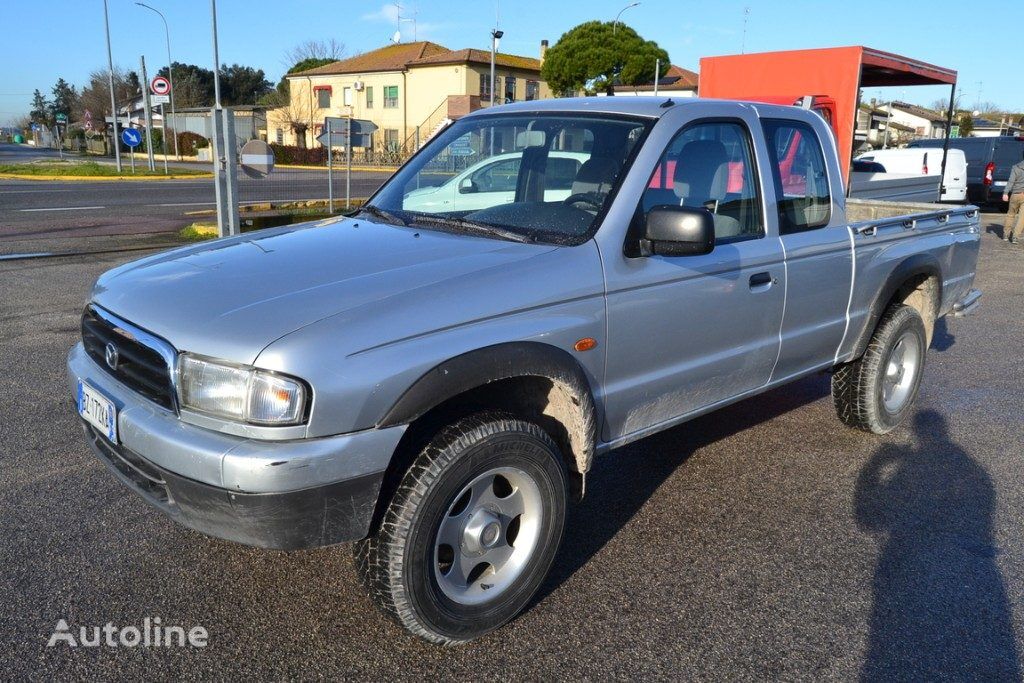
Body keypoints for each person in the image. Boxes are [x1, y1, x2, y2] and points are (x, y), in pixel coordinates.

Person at [1003, 150, 1024, 244]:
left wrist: (1005, 193)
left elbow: (1011, 181)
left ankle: (1006, 235)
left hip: (1015, 194)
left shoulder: (1016, 167)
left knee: (1011, 214)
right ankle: (1015, 237)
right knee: (1022, 217)